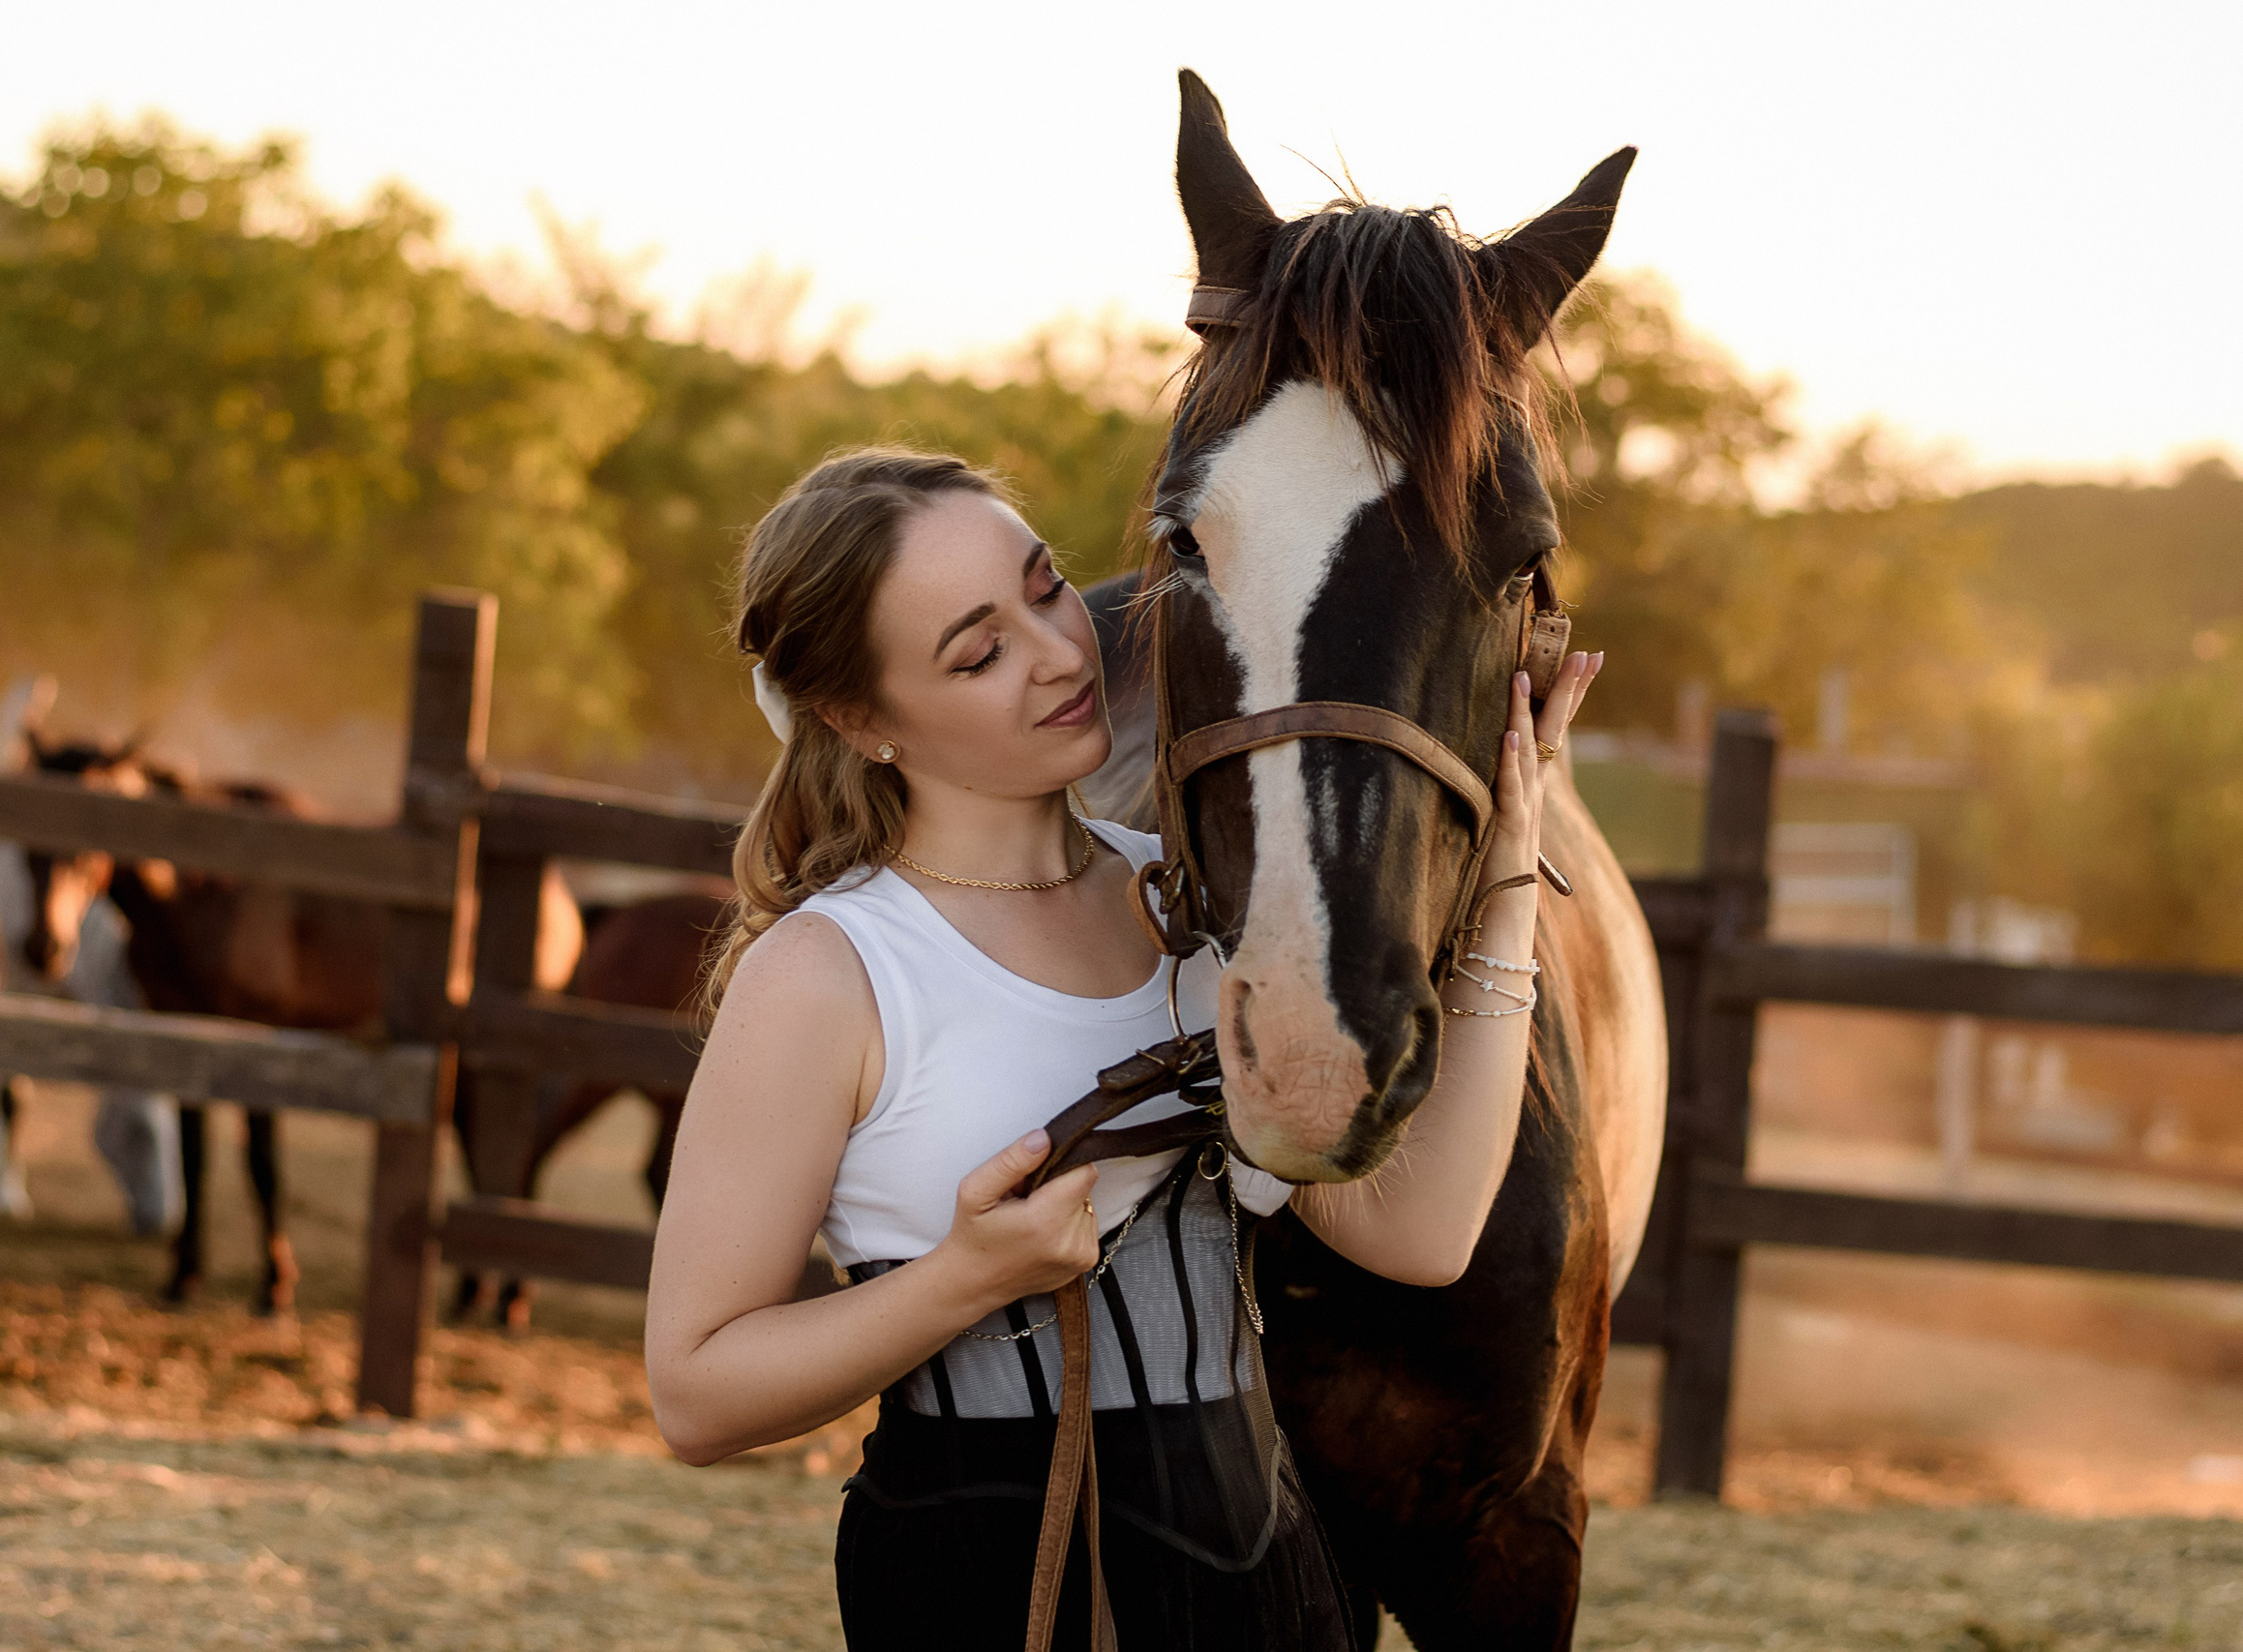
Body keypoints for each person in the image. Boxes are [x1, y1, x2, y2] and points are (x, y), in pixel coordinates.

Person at [645, 449, 1601, 1650]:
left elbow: (1421, 1238)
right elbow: (694, 1395)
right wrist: (963, 1279)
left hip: (1264, 1588)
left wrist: (1511, 868)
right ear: (859, 717)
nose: (1056, 654)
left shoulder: (1192, 906)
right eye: (976, 651)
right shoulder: (830, 972)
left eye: (1046, 589)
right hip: (986, 1594)